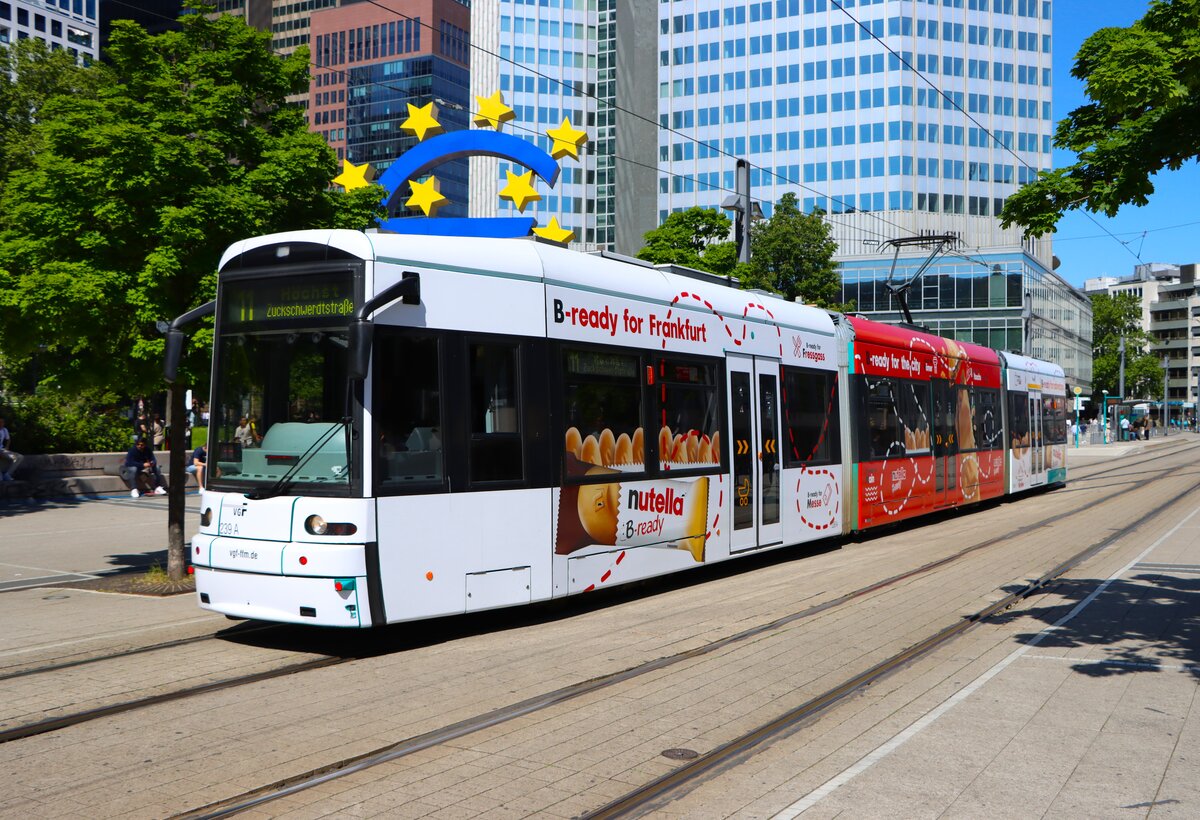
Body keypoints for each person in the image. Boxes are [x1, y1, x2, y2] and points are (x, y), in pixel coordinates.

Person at [0, 416, 23, 481]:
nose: (1, 423)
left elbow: (8, 439)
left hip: (2, 450)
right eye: (0, 422)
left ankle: (8, 474)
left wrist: (7, 447)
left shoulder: (4, 430)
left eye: (2, 422)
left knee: (19, 457)